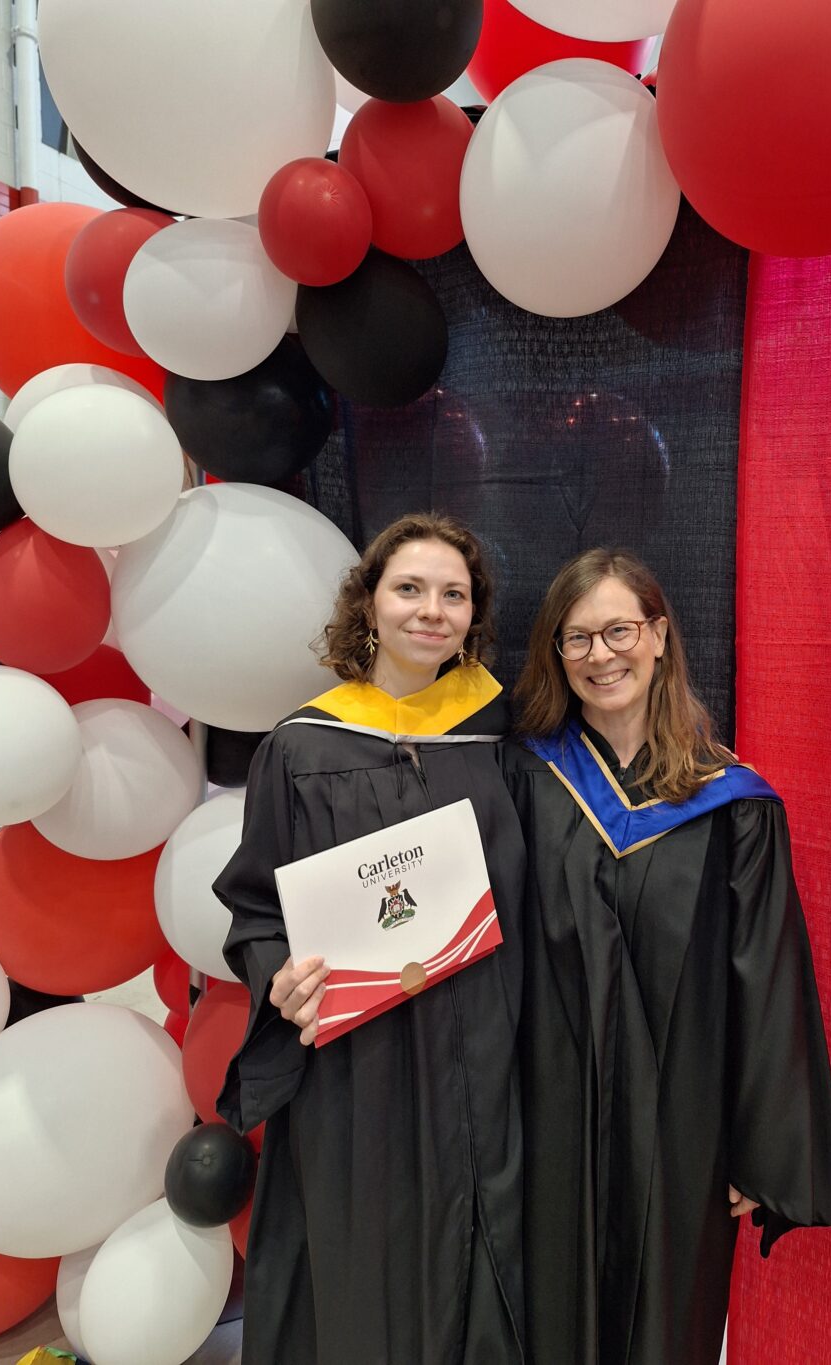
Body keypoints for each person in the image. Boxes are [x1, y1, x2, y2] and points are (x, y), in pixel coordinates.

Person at [506, 548, 831, 1365]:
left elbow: (766, 979)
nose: (602, 655)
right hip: (545, 1108)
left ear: (660, 636)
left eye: (620, 630)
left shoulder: (734, 803)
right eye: (577, 638)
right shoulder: (522, 778)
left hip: (682, 1122)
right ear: (556, 655)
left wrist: (756, 1145)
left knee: (668, 1322)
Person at [213, 513, 527, 1365]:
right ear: (371, 603)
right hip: (361, 1050)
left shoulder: (502, 736)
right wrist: (280, 975)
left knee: (484, 1211)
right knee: (366, 1227)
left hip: (484, 1032)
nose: (432, 610)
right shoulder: (303, 744)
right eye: (410, 588)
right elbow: (255, 903)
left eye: (454, 594)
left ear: (474, 614)